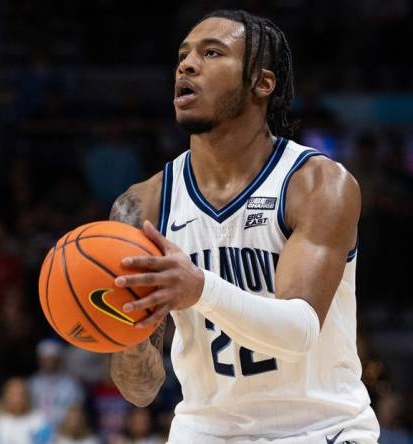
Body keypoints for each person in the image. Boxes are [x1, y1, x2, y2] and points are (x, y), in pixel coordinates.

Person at [107, 10, 379, 443]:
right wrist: (123, 328)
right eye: (183, 56)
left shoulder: (317, 184)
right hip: (206, 430)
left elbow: (299, 332)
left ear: (262, 83)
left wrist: (200, 289)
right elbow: (140, 390)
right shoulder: (142, 205)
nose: (187, 65)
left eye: (211, 53)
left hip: (320, 427)